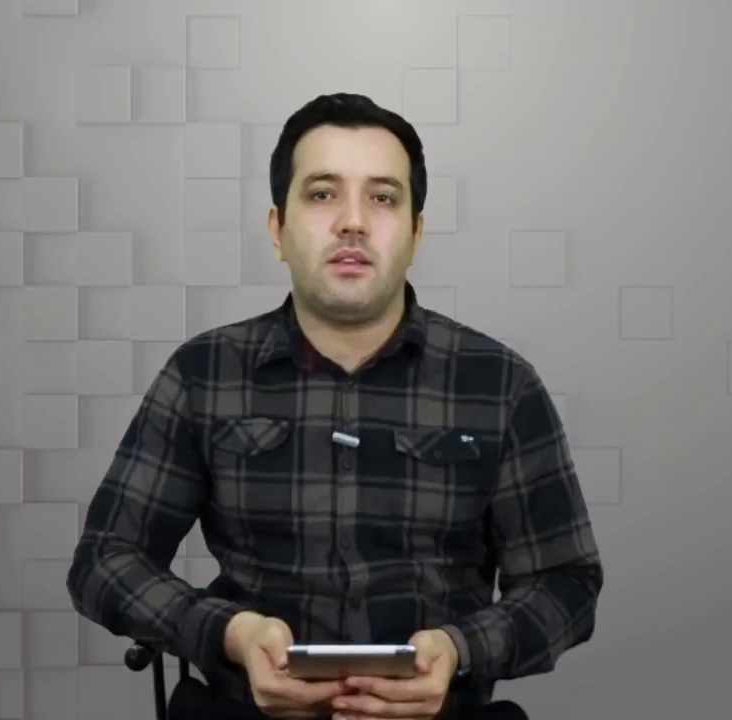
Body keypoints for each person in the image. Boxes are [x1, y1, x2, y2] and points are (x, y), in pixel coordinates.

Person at [66, 92, 602, 720]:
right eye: (322, 194)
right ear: (278, 230)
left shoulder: (500, 382)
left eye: (383, 198)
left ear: (416, 233)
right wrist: (229, 633)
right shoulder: (203, 374)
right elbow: (104, 561)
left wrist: (461, 650)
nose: (353, 222)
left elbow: (566, 584)